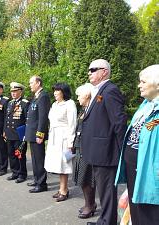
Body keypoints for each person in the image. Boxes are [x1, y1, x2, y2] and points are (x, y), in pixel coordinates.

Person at [81, 59, 127, 225]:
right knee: (103, 189)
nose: (89, 72)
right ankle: (105, 219)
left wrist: (124, 151)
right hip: (98, 150)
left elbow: (119, 122)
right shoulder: (100, 90)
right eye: (89, 69)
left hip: (106, 151)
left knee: (107, 190)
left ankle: (108, 222)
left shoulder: (110, 90)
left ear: (104, 72)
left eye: (93, 69)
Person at [115, 64, 159, 225]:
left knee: (149, 211)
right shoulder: (146, 105)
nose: (139, 85)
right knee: (136, 208)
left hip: (151, 171)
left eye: (143, 82)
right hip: (133, 165)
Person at [44, 83, 77, 201]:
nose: (55, 93)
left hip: (64, 137)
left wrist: (70, 142)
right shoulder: (54, 104)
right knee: (57, 165)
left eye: (57, 91)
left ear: (64, 92)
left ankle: (64, 190)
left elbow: (72, 124)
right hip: (54, 137)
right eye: (54, 91)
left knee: (64, 164)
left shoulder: (70, 104)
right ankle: (61, 188)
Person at [73, 83, 97, 218]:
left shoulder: (92, 110)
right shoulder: (83, 109)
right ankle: (89, 203)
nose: (78, 98)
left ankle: (90, 205)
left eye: (79, 95)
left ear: (87, 95)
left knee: (87, 177)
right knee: (81, 178)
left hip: (87, 148)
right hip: (79, 145)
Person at [25, 75, 51, 193]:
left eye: (31, 83)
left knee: (39, 159)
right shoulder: (36, 97)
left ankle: (41, 184)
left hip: (37, 134)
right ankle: (37, 180)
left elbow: (43, 117)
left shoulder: (43, 96)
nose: (30, 85)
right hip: (32, 133)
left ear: (38, 83)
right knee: (34, 159)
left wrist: (40, 134)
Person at [4, 82, 29, 183]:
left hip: (19, 134)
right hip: (9, 133)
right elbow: (6, 118)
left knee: (20, 155)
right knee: (11, 154)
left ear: (21, 92)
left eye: (15, 91)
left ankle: (22, 174)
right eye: (12, 91)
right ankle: (15, 172)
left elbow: (27, 120)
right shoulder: (10, 103)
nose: (13, 93)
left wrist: (26, 134)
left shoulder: (25, 103)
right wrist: (4, 131)